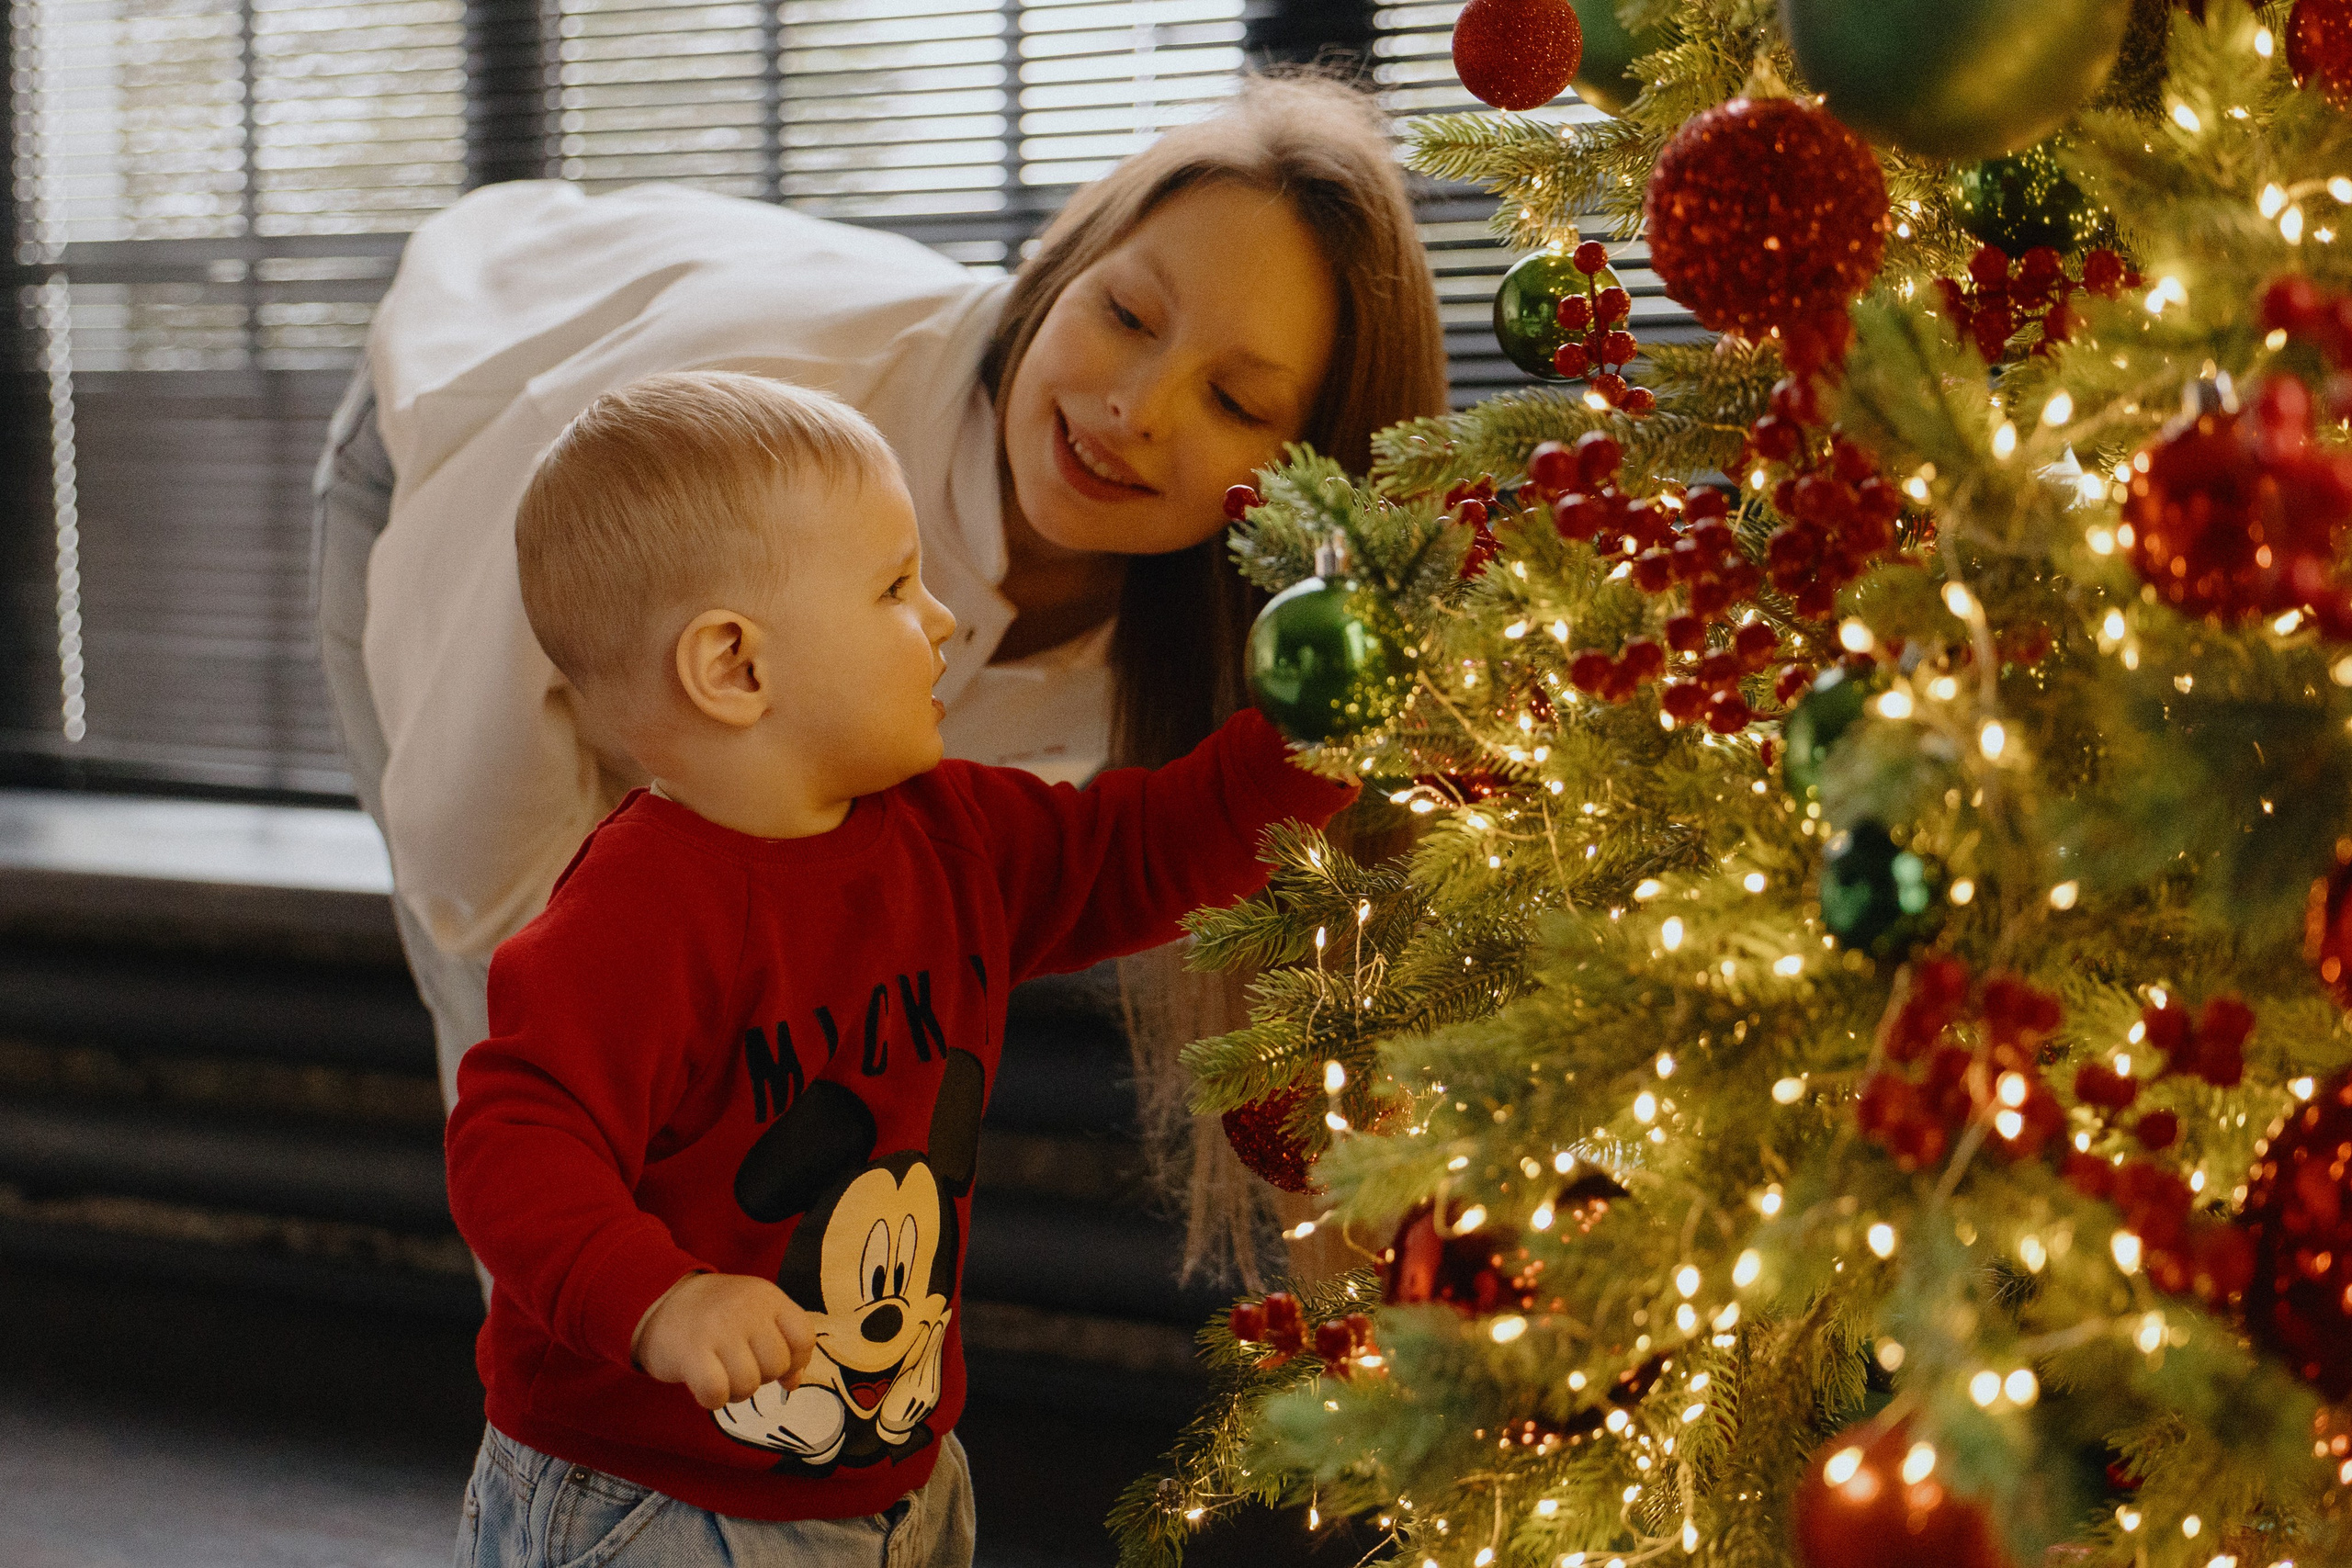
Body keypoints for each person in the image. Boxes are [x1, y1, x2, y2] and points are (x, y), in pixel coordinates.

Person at [312, 70, 1448, 1123]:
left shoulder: (1236, 640)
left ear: (1308, 479)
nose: (1139, 409)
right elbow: (483, 868)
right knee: (569, 1095)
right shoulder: (762, 418)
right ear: (1059, 272)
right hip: (476, 430)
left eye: (1236, 401)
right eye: (1127, 318)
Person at [446, 369, 1357, 1565]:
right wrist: (662, 1298)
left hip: (898, 1460)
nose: (942, 620)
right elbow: (515, 1140)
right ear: (736, 665)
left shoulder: (953, 833)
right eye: (892, 587)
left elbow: (1146, 850)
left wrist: (1318, 732)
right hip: (657, 1498)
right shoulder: (640, 911)